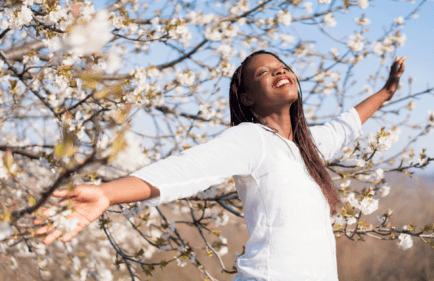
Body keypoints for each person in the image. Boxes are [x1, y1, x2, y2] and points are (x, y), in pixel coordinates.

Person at [34, 50, 406, 280]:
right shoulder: (251, 139)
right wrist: (105, 193)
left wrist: (387, 92)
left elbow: (347, 123)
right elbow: (185, 169)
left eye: (281, 66)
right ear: (247, 97)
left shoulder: (310, 147)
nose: (279, 71)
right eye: (264, 72)